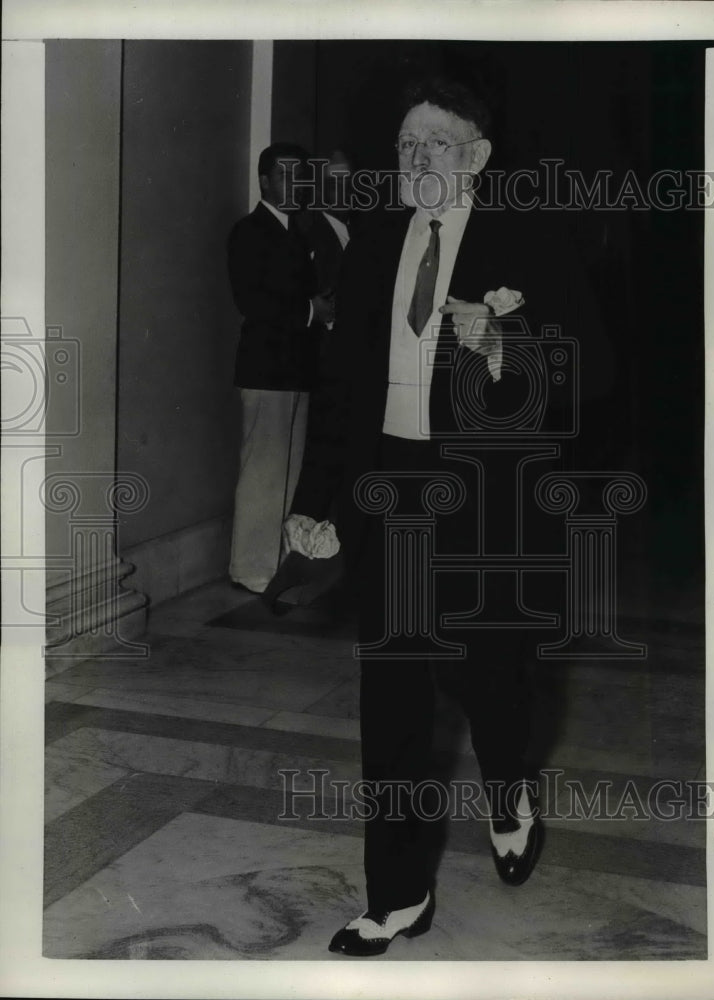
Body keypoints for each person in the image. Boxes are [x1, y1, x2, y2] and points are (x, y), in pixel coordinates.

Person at [286, 78, 609, 956]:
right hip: (392, 482)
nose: (414, 157)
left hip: (487, 493)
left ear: (476, 156)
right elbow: (340, 386)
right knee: (391, 693)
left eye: (434, 142)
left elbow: (588, 379)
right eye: (404, 143)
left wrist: (503, 346)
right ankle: (395, 894)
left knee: (489, 678)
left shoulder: (529, 238)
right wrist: (315, 503)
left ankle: (508, 785)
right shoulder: (376, 240)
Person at [227, 143, 334, 594]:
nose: (295, 184)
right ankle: (250, 569)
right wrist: (312, 309)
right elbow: (251, 302)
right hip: (267, 371)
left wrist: (321, 312)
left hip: (295, 371)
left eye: (300, 176)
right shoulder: (249, 231)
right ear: (265, 181)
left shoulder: (296, 235)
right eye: (286, 175)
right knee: (264, 474)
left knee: (289, 475)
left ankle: (277, 565)